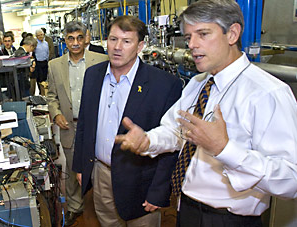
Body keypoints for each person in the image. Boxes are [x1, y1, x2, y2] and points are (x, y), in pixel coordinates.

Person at [114, 1, 297, 226]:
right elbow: (176, 131)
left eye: (203, 34)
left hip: (230, 220)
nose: (192, 44)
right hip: (187, 209)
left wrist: (225, 150)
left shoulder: (267, 93)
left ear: (232, 34)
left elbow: (291, 180)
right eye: (189, 36)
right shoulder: (199, 84)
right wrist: (148, 140)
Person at [72, 15, 182, 226]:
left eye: (126, 41)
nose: (117, 47)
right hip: (102, 174)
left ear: (140, 45)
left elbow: (172, 142)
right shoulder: (93, 75)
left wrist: (159, 191)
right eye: (113, 39)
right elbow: (85, 124)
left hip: (140, 181)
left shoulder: (165, 85)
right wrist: (81, 166)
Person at [46, 21, 108, 226]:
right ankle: (75, 207)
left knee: (101, 169)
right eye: (71, 38)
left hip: (97, 126)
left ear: (86, 38)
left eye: (79, 37)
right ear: (65, 40)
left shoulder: (101, 60)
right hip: (70, 126)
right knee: (73, 170)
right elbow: (51, 96)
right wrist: (56, 115)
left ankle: (104, 208)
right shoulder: (55, 66)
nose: (75, 43)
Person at [33, 29, 49, 96]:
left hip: (45, 62)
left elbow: (47, 52)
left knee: (45, 79)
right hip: (38, 63)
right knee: (40, 79)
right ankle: (41, 93)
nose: (40, 36)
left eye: (41, 35)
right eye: (38, 35)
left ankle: (45, 93)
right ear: (36, 36)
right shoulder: (35, 44)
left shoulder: (46, 43)